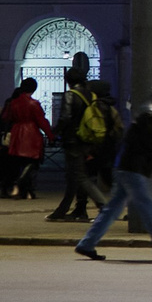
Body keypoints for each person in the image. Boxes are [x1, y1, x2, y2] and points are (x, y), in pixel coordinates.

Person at [73, 90, 152, 263]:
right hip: (132, 170)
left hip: (126, 167)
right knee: (149, 208)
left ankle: (87, 244)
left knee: (113, 209)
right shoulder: (150, 116)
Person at [45, 74, 113, 224]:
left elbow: (65, 117)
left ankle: (105, 207)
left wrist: (54, 133)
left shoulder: (70, 95)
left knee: (80, 176)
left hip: (73, 140)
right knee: (73, 176)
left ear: (68, 81)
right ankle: (64, 210)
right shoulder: (91, 95)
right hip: (87, 140)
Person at [0, 78, 51, 200]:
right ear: (34, 89)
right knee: (33, 161)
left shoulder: (13, 103)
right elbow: (41, 121)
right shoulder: (34, 103)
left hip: (17, 132)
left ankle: (21, 189)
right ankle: (20, 184)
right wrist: (50, 134)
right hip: (31, 133)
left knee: (19, 162)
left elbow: (6, 117)